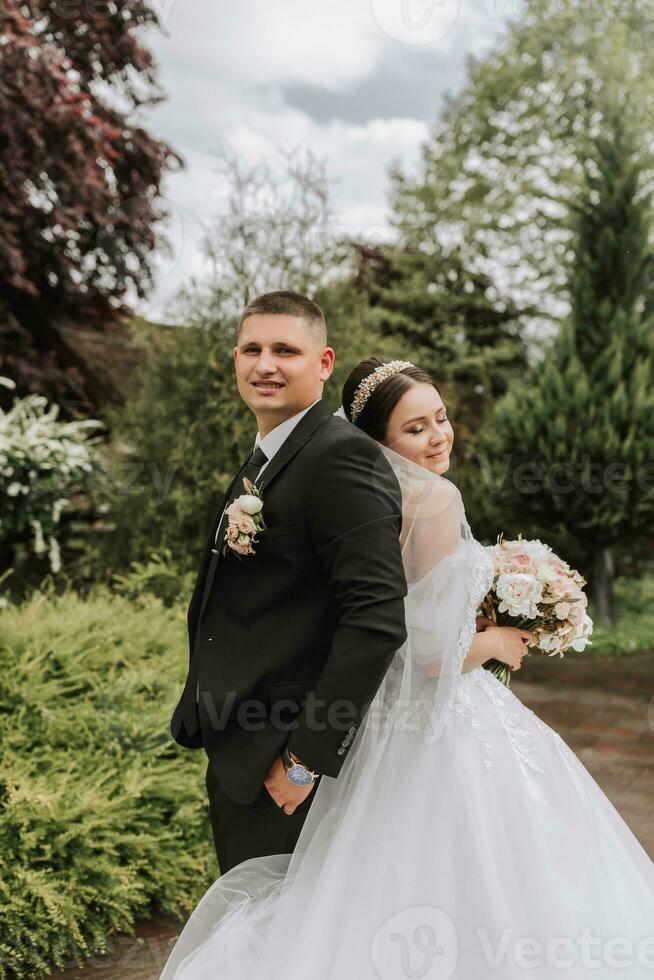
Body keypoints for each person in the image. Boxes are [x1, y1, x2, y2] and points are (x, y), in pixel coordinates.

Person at [162, 358, 654, 979]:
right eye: (415, 429)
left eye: (441, 418)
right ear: (380, 442)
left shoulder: (358, 491)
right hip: (437, 722)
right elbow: (422, 654)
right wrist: (498, 640)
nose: (439, 436)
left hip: (374, 720)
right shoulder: (436, 500)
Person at [169, 294, 408, 874]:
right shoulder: (268, 457)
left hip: (287, 760)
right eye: (252, 349)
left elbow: (376, 619)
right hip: (243, 746)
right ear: (234, 359)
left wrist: (304, 760)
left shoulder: (340, 457)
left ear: (323, 363)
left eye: (285, 350)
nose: (265, 364)